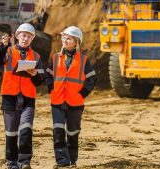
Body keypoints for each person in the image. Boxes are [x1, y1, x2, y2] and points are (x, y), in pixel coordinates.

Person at [46, 26, 97, 168]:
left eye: (68, 38)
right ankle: (62, 161)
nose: (65, 40)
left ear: (76, 42)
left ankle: (72, 160)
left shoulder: (84, 60)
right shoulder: (55, 58)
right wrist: (51, 88)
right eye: (64, 37)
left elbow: (92, 78)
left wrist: (83, 93)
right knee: (58, 131)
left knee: (73, 132)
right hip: (57, 101)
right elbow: (49, 74)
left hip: (75, 102)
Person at [0, 23, 44, 169]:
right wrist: (3, 46)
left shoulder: (36, 56)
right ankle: (12, 163)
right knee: (11, 133)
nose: (26, 38)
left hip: (28, 98)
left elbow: (40, 80)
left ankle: (24, 162)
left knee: (26, 130)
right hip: (10, 96)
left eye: (29, 36)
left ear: (32, 39)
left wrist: (35, 74)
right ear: (16, 36)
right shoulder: (8, 51)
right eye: (23, 35)